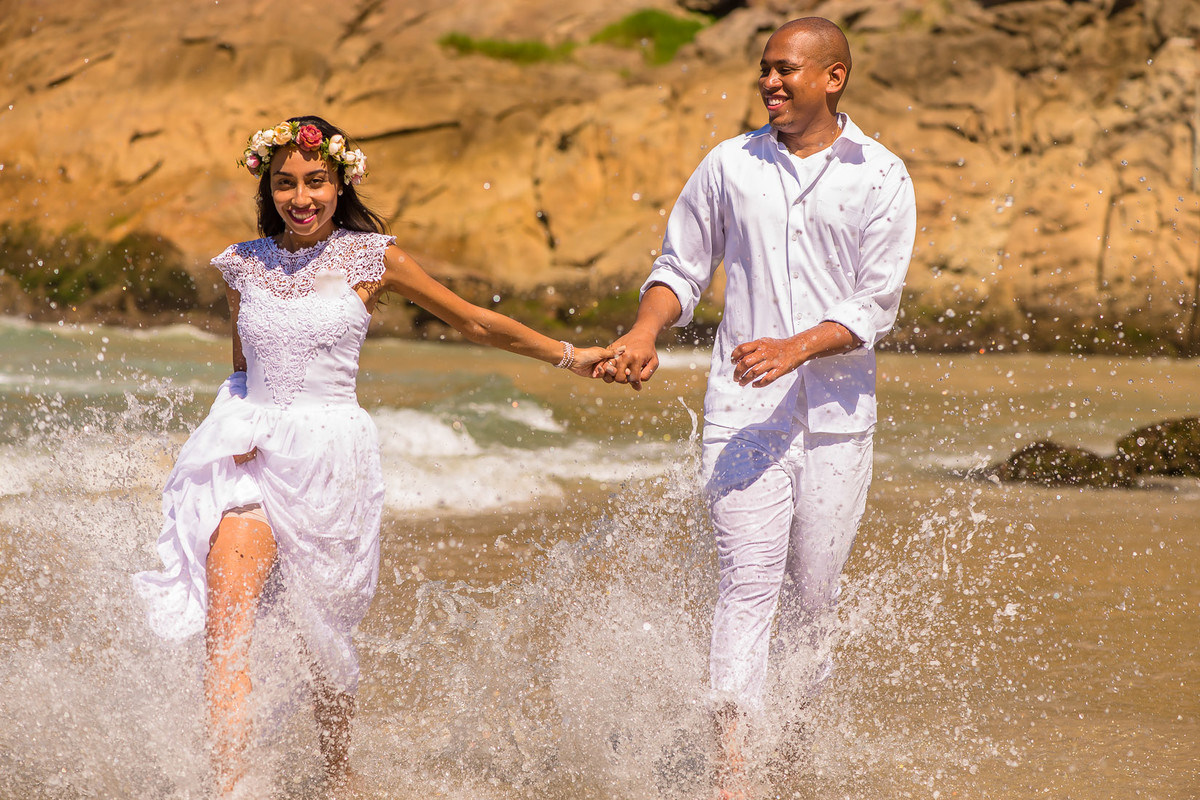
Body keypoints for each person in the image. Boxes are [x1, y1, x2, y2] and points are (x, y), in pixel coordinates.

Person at [132, 115, 614, 797]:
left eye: (315, 181)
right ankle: (230, 787)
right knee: (225, 627)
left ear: (341, 182)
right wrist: (228, 433)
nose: (301, 197)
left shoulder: (372, 258)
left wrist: (571, 356)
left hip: (331, 461)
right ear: (267, 188)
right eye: (285, 184)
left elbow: (474, 322)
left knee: (321, 635)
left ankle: (338, 774)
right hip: (249, 458)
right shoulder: (244, 264)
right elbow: (243, 370)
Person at [599, 16, 916, 793]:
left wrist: (796, 347)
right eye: (765, 69)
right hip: (741, 414)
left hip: (837, 424)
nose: (769, 82)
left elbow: (875, 305)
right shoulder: (728, 165)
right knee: (746, 588)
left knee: (813, 601)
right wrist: (644, 330)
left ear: (833, 77)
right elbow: (681, 266)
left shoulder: (881, 175)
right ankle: (732, 777)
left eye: (785, 69)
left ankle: (794, 762)